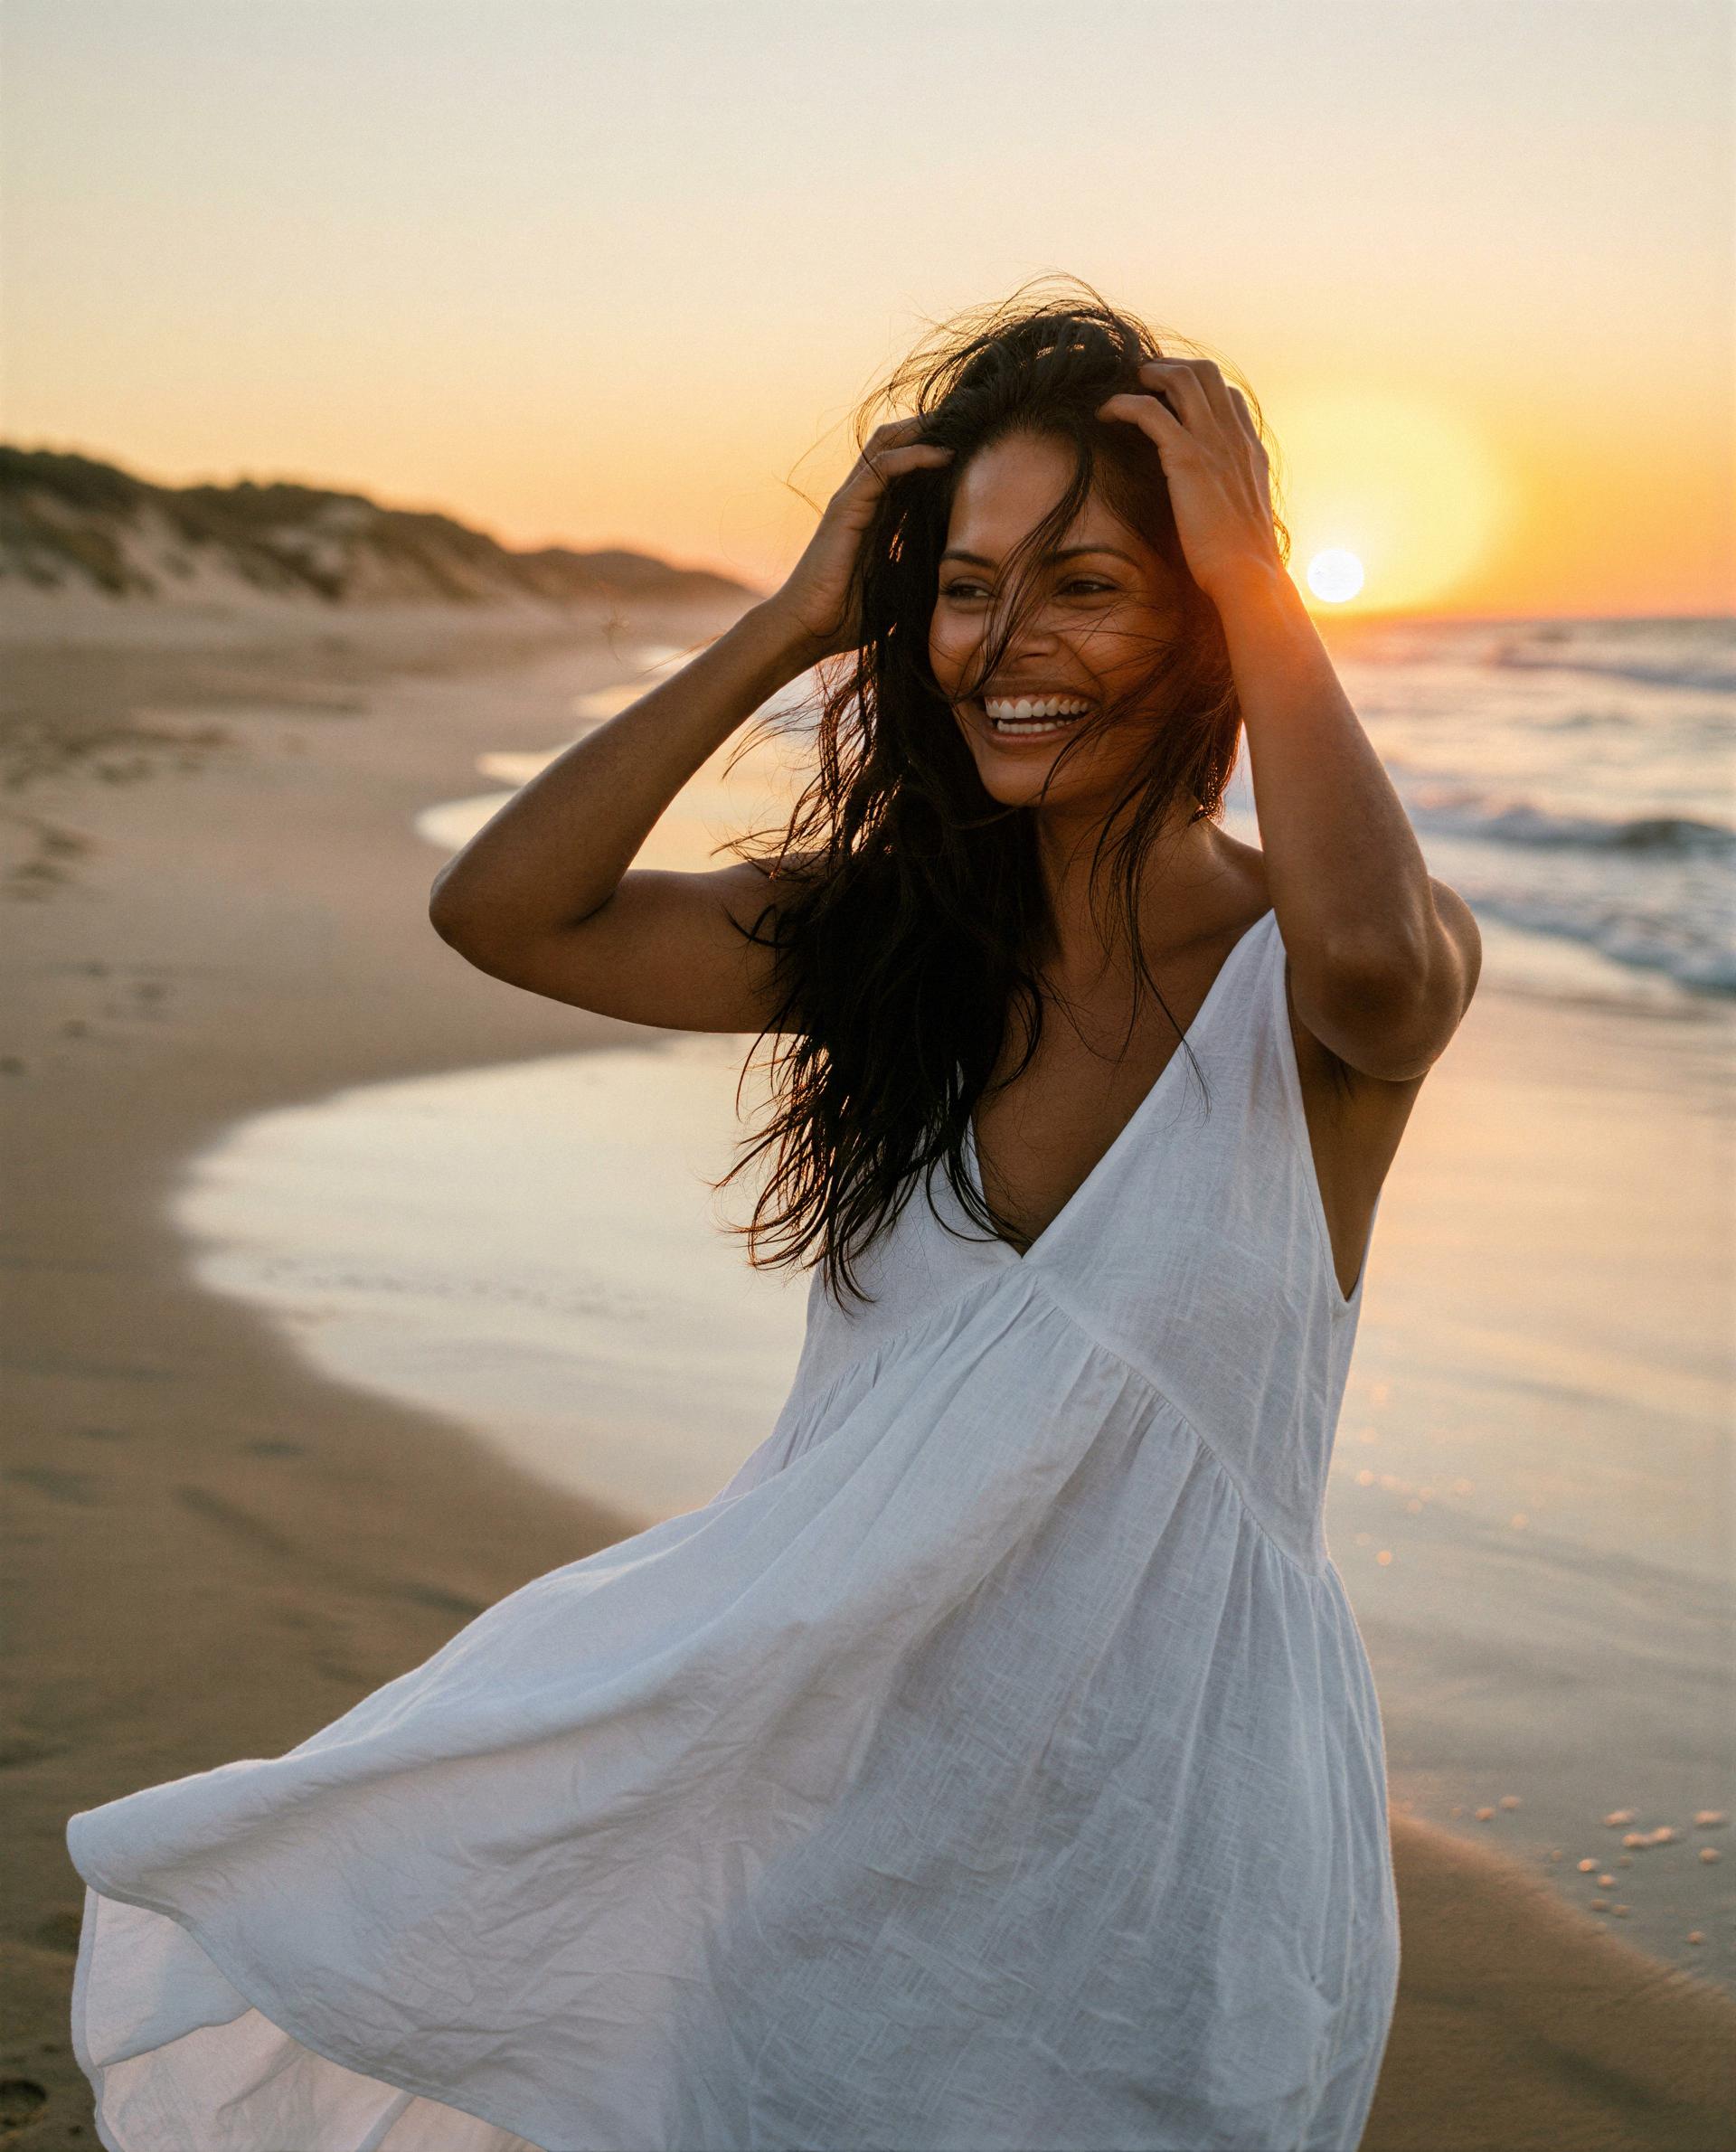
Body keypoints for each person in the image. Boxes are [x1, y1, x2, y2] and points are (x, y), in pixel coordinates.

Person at [66, 282, 1480, 2152]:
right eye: (966, 587)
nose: (1002, 645)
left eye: (1086, 584)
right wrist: (795, 616)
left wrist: (1257, 573)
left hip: (1171, 1853)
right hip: (830, 1796)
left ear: (1213, 617)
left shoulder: (1305, 981)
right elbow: (511, 911)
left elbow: (1389, 960)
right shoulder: (891, 944)